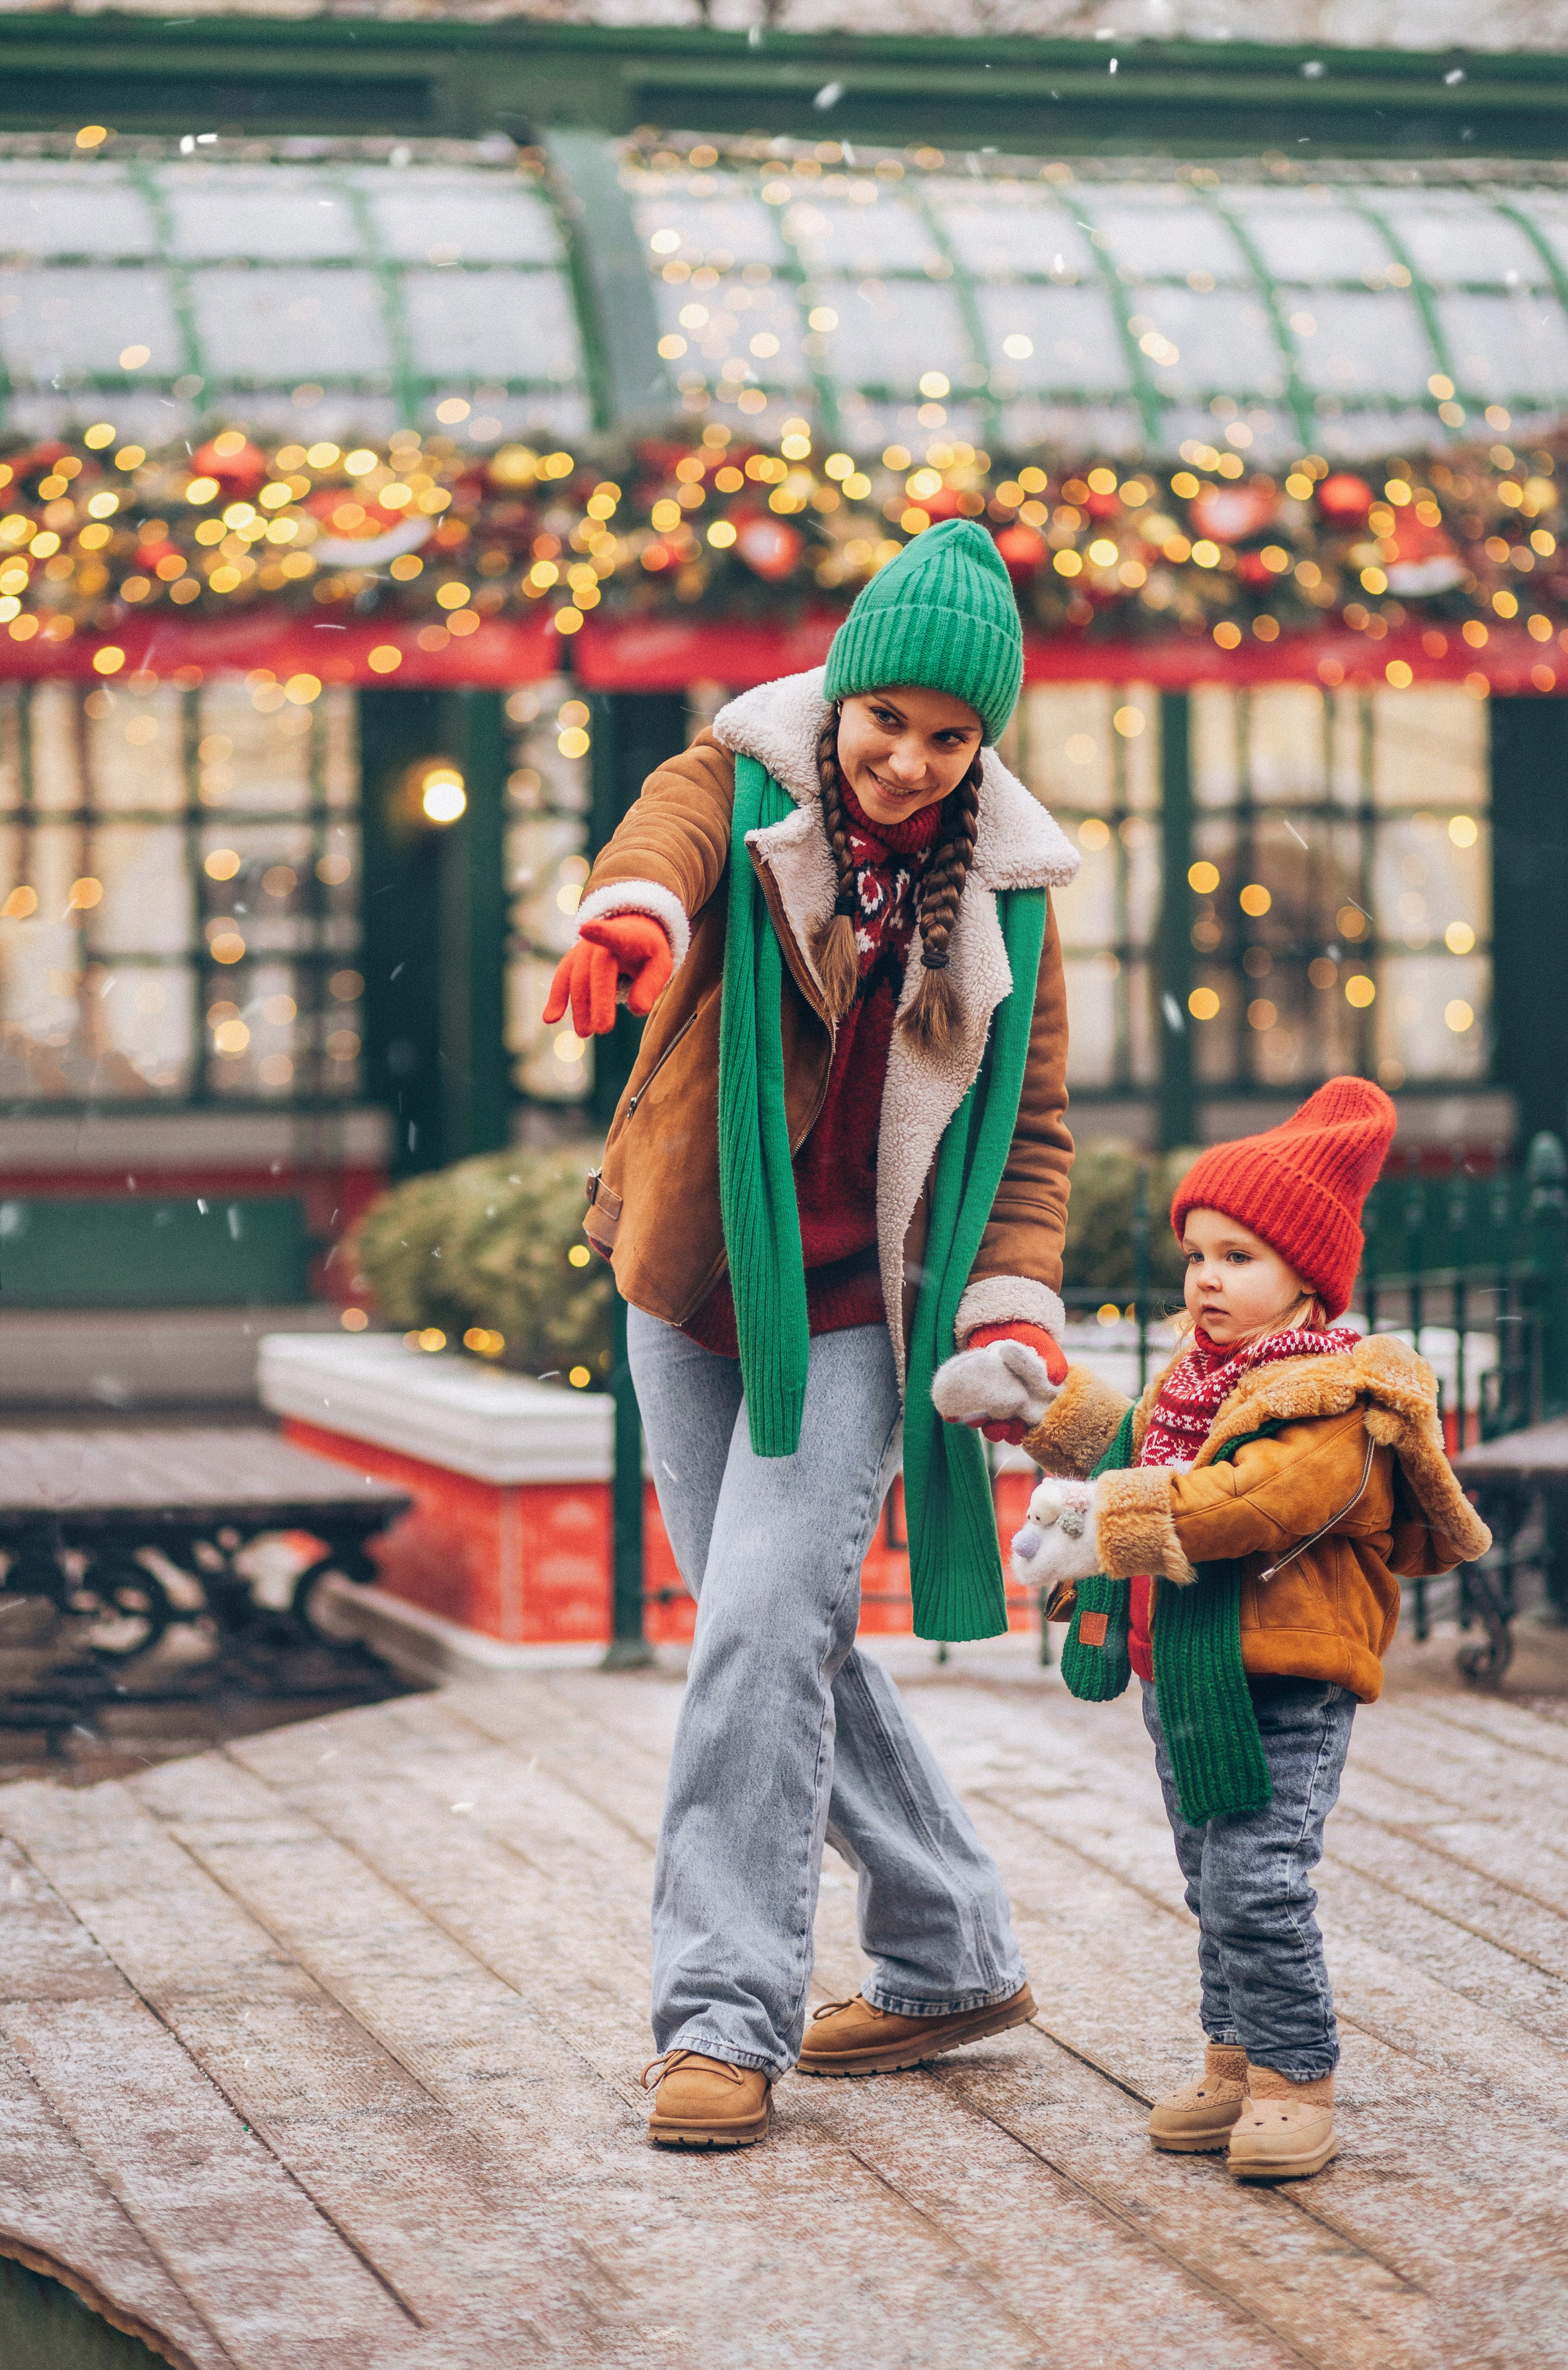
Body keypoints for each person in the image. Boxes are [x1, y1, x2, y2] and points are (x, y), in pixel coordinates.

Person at [544, 518, 1079, 2150]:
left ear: (984, 744)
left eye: (949, 736)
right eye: (885, 719)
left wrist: (1010, 1304)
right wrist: (634, 919)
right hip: (690, 1281)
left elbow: (1029, 1135)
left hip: (861, 1314)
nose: (908, 759)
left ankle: (719, 2016)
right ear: (837, 696)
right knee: (771, 1633)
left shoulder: (1011, 902)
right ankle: (950, 1947)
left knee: (759, 1631)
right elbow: (660, 841)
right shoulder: (738, 783)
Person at [932, 1079, 1491, 2181]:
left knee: (1256, 1880)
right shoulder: (1202, 1381)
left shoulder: (1329, 1401)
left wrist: (1096, 1524)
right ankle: (1234, 2058)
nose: (1206, 1278)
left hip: (1282, 1680)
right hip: (1184, 1670)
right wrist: (1037, 1403)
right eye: (1197, 1254)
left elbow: (1244, 1503)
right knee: (1210, 1876)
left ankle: (1294, 2074)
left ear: (1306, 1278)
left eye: (1239, 1256)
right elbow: (1135, 1441)